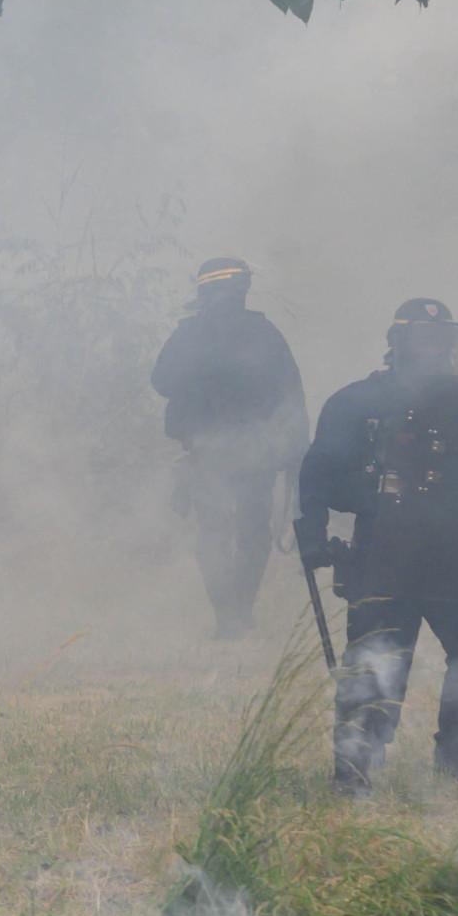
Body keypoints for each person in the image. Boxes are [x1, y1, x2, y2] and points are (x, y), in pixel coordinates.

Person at [297, 299, 458, 793]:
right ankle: (354, 775)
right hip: (383, 557)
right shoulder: (359, 401)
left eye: (439, 340)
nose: (430, 350)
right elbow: (318, 471)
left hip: (455, 555)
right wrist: (313, 534)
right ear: (398, 344)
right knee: (374, 664)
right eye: (422, 340)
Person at [150, 259, 308, 636]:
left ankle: (229, 615)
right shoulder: (263, 333)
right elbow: (291, 393)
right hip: (248, 452)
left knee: (216, 533)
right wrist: (295, 449)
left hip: (222, 452)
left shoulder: (190, 335)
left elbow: (161, 381)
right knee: (246, 531)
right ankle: (236, 612)